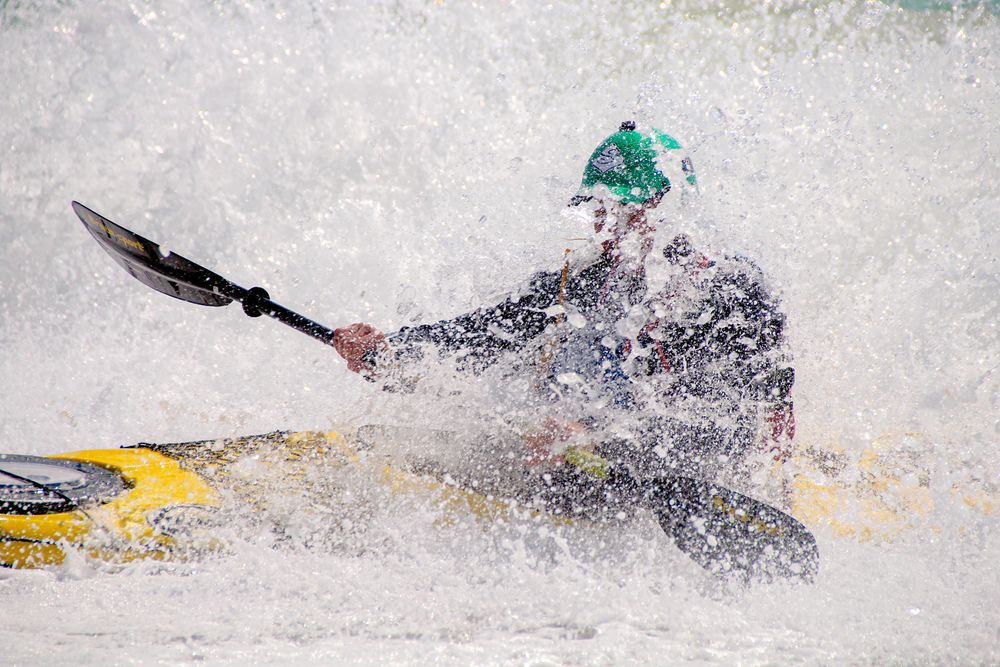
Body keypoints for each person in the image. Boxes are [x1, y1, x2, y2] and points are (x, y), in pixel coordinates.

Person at [332, 121, 795, 513]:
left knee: (594, 425)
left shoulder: (732, 290)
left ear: (661, 206)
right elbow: (488, 331)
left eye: (618, 210)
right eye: (599, 210)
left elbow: (760, 409)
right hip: (606, 456)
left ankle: (579, 449)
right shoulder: (587, 279)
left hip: (700, 461)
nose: (603, 226)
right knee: (533, 389)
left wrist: (591, 431)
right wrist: (390, 350)